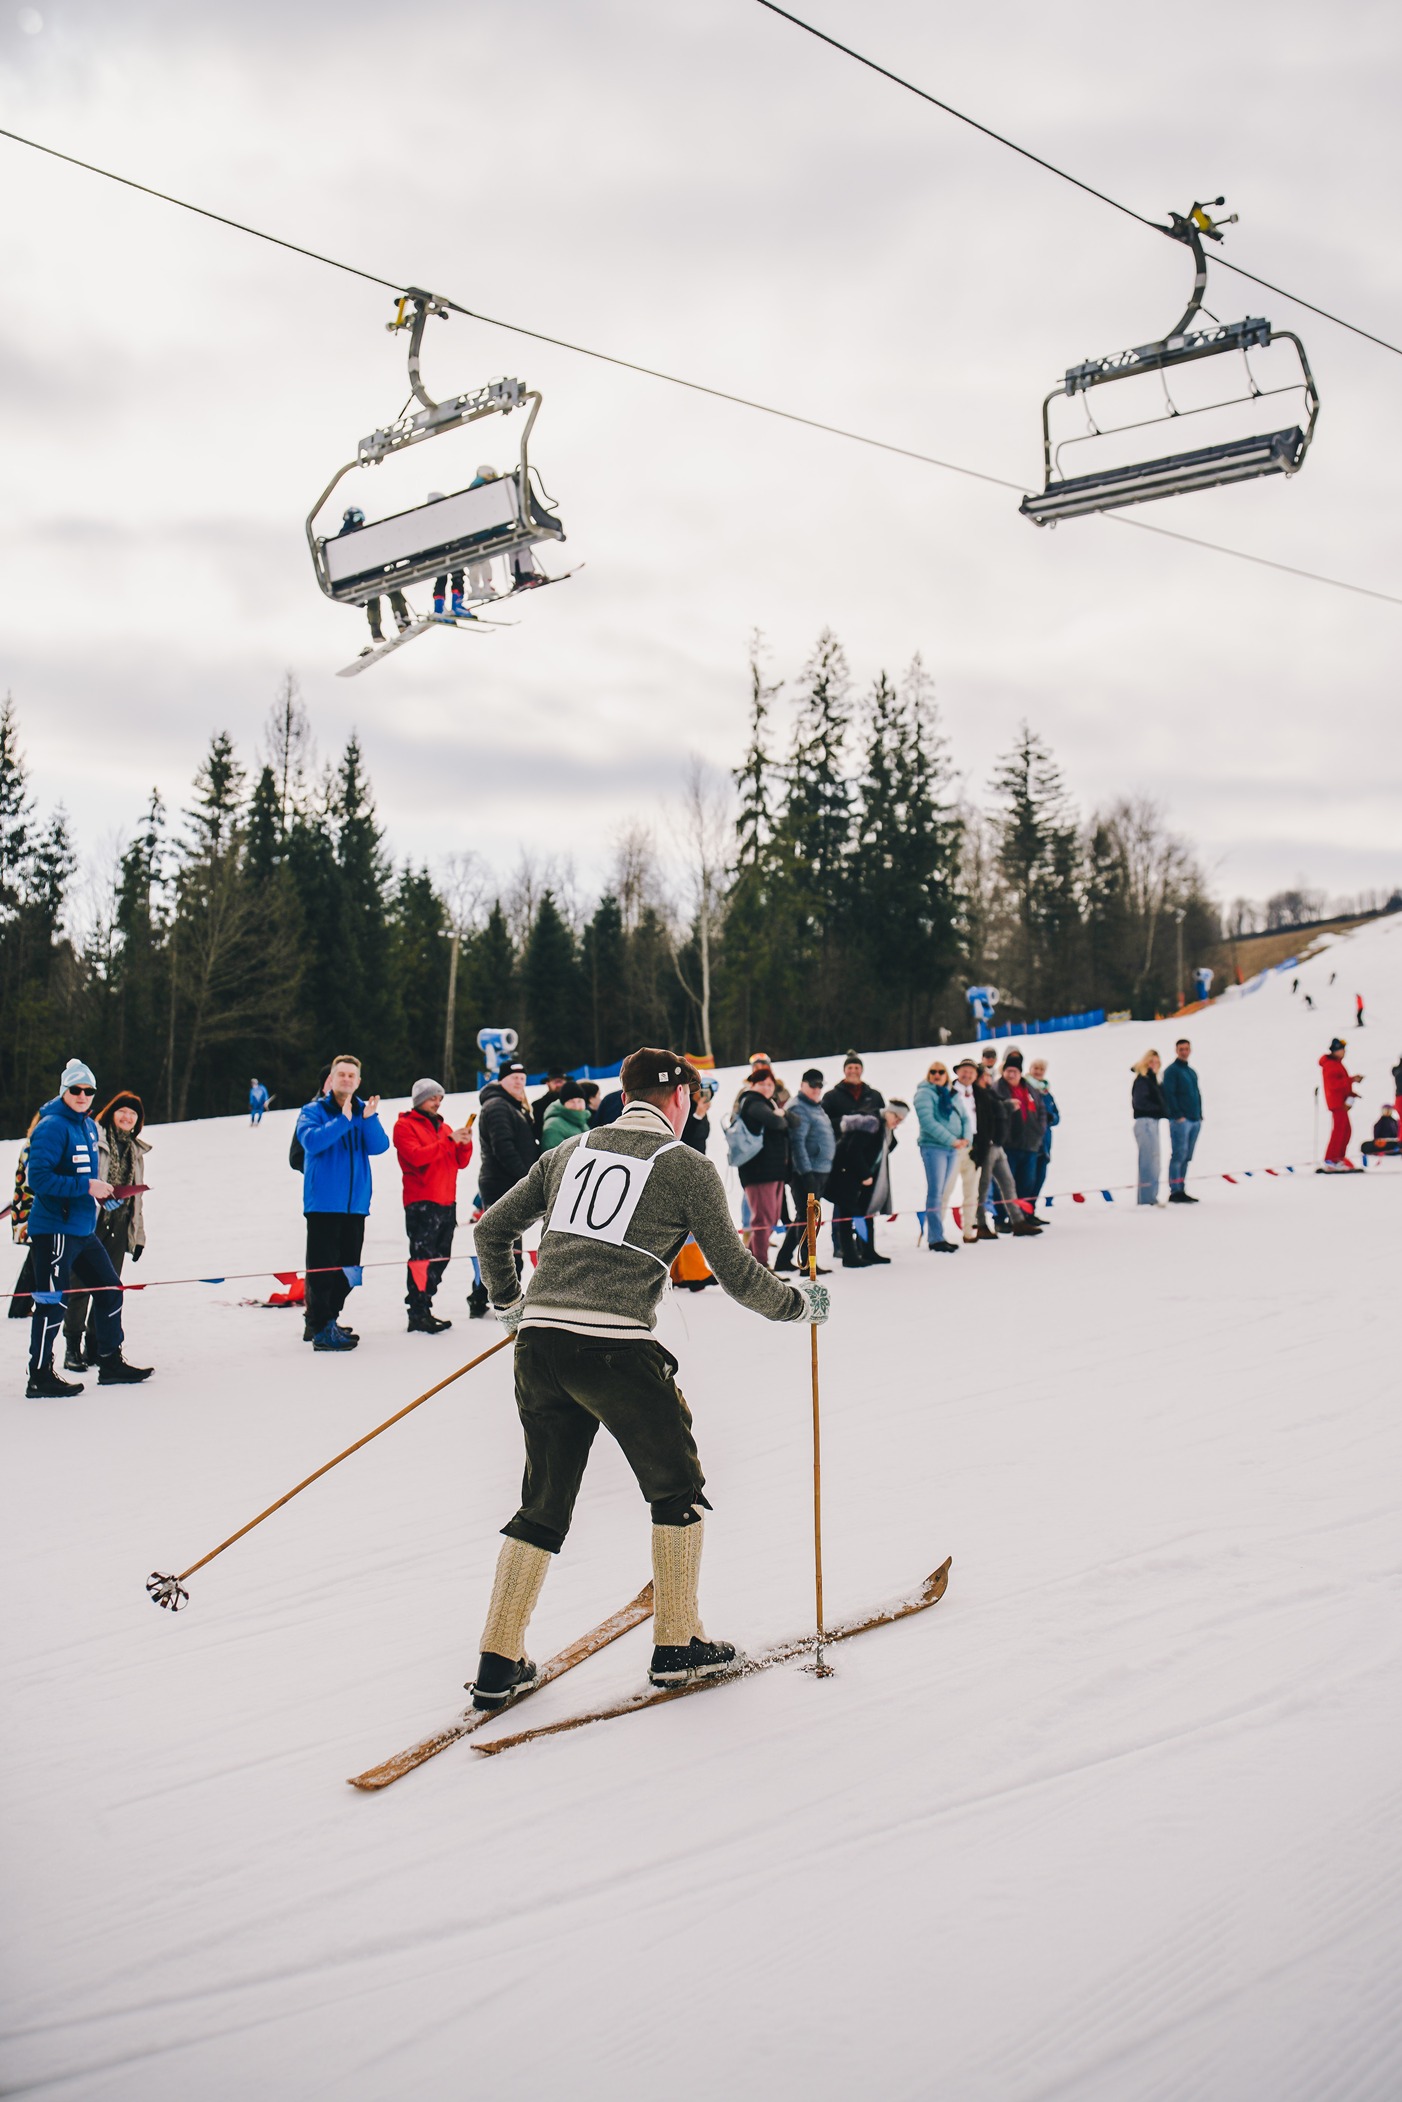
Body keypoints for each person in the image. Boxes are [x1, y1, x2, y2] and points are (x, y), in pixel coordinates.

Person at [468, 1047, 828, 1708]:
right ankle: (677, 1647)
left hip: (540, 1347)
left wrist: (512, 1308)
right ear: (680, 1097)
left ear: (626, 1093)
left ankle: (498, 1660)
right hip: (615, 1351)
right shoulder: (686, 1166)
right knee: (676, 1489)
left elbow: (491, 1231)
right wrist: (799, 1305)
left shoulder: (567, 1152)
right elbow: (737, 1274)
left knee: (542, 1502)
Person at [24, 1058, 152, 1397]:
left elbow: (86, 1178)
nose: (83, 1095)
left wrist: (103, 1195)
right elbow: (38, 1179)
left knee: (110, 1289)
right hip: (54, 1228)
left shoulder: (87, 1127)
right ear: (64, 1091)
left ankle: (109, 1361)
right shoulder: (52, 1126)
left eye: (89, 1090)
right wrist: (86, 1187)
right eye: (76, 1089)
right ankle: (39, 1376)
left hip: (83, 1228)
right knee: (52, 1301)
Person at [295, 1054, 388, 1350]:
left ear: (358, 1081)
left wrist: (369, 1119)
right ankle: (321, 1327)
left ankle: (328, 1318)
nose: (346, 1079)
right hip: (323, 1204)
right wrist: (343, 1120)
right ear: (331, 1080)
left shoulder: (362, 1111)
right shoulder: (313, 1111)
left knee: (350, 1269)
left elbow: (380, 1146)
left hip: (356, 1204)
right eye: (342, 1075)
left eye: (351, 1075)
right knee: (323, 1270)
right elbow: (311, 1142)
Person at [62, 1091, 150, 1371]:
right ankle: (72, 1347)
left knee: (109, 1287)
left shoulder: (135, 1150)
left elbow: (137, 1199)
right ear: (112, 1113)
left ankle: (96, 1346)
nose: (127, 1117)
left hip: (119, 1223)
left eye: (133, 1114)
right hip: (91, 1220)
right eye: (122, 1111)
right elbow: (81, 1177)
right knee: (79, 1285)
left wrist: (138, 1236)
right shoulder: (94, 1139)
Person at [392, 1079, 474, 1334]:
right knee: (422, 1258)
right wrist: (450, 1140)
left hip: (447, 1201)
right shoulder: (404, 1125)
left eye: (440, 1098)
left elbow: (460, 1162)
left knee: (441, 1257)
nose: (437, 1102)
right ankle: (417, 1311)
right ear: (419, 1100)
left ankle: (425, 1304)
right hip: (421, 1202)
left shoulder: (444, 1127)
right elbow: (417, 1157)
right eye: (432, 1098)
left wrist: (465, 1143)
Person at [468, 1057, 541, 1317]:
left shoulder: (513, 1105)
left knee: (507, 1246)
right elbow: (504, 1148)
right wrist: (529, 1178)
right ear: (502, 1081)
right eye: (514, 1078)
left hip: (509, 1182)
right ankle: (489, 1299)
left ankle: (490, 1297)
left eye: (522, 1078)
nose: (519, 1082)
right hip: (501, 1183)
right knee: (502, 1246)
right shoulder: (497, 1106)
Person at [775, 1068, 835, 1272]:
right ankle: (807, 1264)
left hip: (819, 1169)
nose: (817, 1089)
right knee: (808, 1217)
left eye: (820, 1085)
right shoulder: (799, 1107)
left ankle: (783, 1259)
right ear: (802, 1085)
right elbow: (797, 1143)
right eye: (812, 1085)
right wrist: (806, 1173)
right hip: (806, 1172)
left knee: (804, 1216)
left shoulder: (815, 1106)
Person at [971, 1064, 1036, 1238]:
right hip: (987, 1145)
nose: (989, 1078)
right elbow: (990, 1114)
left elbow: (997, 1109)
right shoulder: (978, 1095)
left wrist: (1005, 1106)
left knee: (1008, 1183)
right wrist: (1006, 1106)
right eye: (986, 1075)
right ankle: (981, 1224)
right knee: (983, 1187)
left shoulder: (990, 1093)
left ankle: (1018, 1221)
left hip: (998, 1145)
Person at [913, 1059, 971, 1251]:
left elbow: (965, 1117)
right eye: (933, 1072)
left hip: (953, 1149)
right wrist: (952, 1140)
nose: (937, 1075)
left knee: (943, 1191)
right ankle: (935, 1238)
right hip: (934, 1147)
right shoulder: (924, 1094)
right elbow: (928, 1122)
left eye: (941, 1072)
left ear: (946, 1075)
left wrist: (965, 1138)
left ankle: (938, 1235)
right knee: (935, 1192)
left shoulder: (951, 1094)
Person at [734, 1065, 788, 1268]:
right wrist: (781, 1115)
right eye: (761, 1084)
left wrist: (781, 1115)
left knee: (771, 1218)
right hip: (758, 1171)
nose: (766, 1088)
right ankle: (761, 1266)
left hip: (772, 1170)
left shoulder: (767, 1103)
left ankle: (750, 1265)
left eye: (770, 1084)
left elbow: (793, 1122)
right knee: (762, 1220)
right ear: (752, 1085)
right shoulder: (752, 1102)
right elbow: (776, 1123)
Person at [337, 507, 411, 649]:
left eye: (361, 519)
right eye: (357, 519)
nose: (360, 522)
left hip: (376, 570)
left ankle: (402, 619)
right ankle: (376, 630)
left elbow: (378, 548)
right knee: (373, 598)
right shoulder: (344, 538)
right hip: (365, 575)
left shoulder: (366, 534)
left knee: (394, 591)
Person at [996, 1051, 1046, 1215]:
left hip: (1029, 1144)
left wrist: (1039, 1130)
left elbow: (1041, 1110)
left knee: (1027, 1183)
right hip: (1008, 1144)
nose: (1011, 1075)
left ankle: (1024, 1216)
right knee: (1005, 1183)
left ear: (1020, 1073)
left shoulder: (1030, 1088)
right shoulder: (997, 1088)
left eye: (1014, 1071)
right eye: (1008, 1071)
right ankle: (1002, 1217)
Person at [1160, 1038, 1203, 1204]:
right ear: (1176, 1051)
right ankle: (1175, 1190)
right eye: (1181, 1049)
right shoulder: (1172, 1071)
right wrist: (1177, 1115)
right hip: (1180, 1121)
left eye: (1186, 1049)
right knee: (1179, 1154)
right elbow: (1169, 1094)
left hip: (1194, 1119)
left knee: (1187, 1156)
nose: (1184, 1052)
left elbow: (1196, 1093)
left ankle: (1181, 1188)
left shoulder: (1190, 1071)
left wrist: (1199, 1114)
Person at [950, 1058, 983, 1242]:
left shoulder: (979, 1093)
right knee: (946, 1190)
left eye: (971, 1072)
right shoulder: (949, 1091)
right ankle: (937, 1235)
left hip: (973, 1147)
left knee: (972, 1192)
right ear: (957, 1072)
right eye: (964, 1071)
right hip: (954, 1145)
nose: (967, 1075)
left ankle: (968, 1231)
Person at [1318, 1038, 1363, 1171]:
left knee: (1346, 1130)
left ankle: (1338, 1159)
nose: (1344, 1052)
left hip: (1340, 1102)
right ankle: (1331, 1159)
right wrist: (1352, 1080)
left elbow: (1340, 1083)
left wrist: (1351, 1093)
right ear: (1335, 1051)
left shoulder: (1336, 1063)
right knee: (1339, 1131)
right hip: (1337, 1103)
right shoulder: (1331, 1065)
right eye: (1341, 1050)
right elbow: (1333, 1085)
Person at [1131, 1051, 1167, 1205]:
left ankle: (1151, 1196)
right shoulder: (1142, 1080)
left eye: (1157, 1062)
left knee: (1154, 1161)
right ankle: (1146, 1199)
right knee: (1147, 1162)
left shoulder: (1154, 1080)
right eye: (1151, 1061)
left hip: (1153, 1121)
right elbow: (1140, 1102)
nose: (1154, 1065)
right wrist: (1160, 1109)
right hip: (1145, 1121)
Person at [1025, 1057, 1060, 1211]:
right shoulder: (1026, 1088)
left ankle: (1031, 1210)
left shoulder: (1046, 1092)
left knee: (1040, 1176)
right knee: (1028, 1178)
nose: (1038, 1072)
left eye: (1041, 1069)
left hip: (1045, 1141)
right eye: (1036, 1068)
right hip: (1030, 1141)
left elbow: (1057, 1115)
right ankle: (1023, 1211)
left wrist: (1051, 1118)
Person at [541, 1082, 592, 1152]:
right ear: (563, 1104)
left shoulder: (581, 1120)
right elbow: (553, 1155)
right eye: (571, 1102)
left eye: (579, 1101)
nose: (577, 1106)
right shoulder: (553, 1126)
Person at [532, 1068, 577, 1142]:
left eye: (561, 1081)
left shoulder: (575, 1102)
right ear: (548, 1083)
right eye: (555, 1082)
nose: (558, 1085)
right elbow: (538, 1132)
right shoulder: (538, 1105)